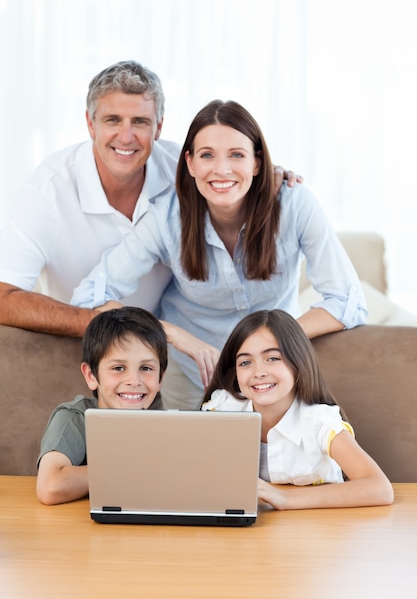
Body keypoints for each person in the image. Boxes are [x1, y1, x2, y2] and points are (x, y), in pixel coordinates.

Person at [71, 99, 368, 410]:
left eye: (237, 155)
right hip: (192, 374)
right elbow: (90, 295)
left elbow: (347, 301)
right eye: (207, 155)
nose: (222, 169)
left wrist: (273, 340)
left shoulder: (294, 205)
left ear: (257, 162)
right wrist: (173, 334)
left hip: (270, 371)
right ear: (190, 163)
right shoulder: (167, 217)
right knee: (195, 458)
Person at [0, 60, 297, 338]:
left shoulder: (184, 170)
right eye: (113, 120)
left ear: (159, 127)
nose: (126, 136)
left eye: (140, 121)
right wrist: (101, 323)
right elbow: (4, 297)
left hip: (172, 349)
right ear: (91, 124)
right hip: (83, 339)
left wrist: (267, 179)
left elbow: (231, 173)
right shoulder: (46, 192)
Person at [201, 309, 394, 510]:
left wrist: (285, 499)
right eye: (245, 362)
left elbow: (379, 488)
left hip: (316, 531)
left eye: (273, 358)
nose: (259, 372)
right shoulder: (221, 410)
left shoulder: (320, 423)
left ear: (298, 362)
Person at [36, 306, 167, 506]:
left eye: (146, 368)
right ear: (91, 375)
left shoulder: (167, 423)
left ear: (160, 377)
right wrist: (131, 469)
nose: (134, 380)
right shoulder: (75, 417)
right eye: (118, 368)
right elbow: (51, 486)